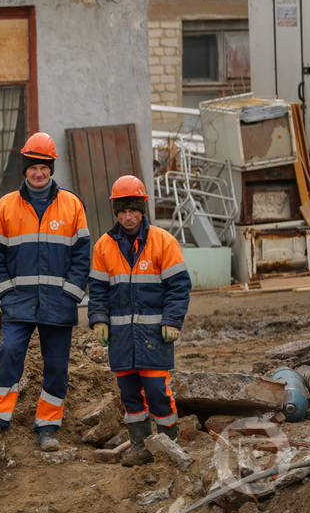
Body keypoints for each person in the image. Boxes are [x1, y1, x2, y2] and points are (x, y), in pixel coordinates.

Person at [0, 132, 90, 452]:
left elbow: (82, 256)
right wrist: (5, 293)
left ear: (51, 169)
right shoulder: (5, 206)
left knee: (56, 365)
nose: (39, 173)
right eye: (33, 167)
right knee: (9, 353)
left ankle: (48, 426)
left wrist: (70, 294)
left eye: (44, 167)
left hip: (58, 303)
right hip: (19, 301)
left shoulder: (72, 205)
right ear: (25, 169)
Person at [88, 175, 191, 466]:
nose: (128, 216)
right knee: (130, 394)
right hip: (121, 338)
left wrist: (173, 320)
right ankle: (139, 446)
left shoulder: (163, 242)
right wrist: (99, 319)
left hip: (154, 336)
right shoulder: (103, 246)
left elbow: (179, 287)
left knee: (157, 392)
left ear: (142, 209)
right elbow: (96, 288)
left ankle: (169, 443)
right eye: (122, 210)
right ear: (116, 212)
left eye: (132, 210)